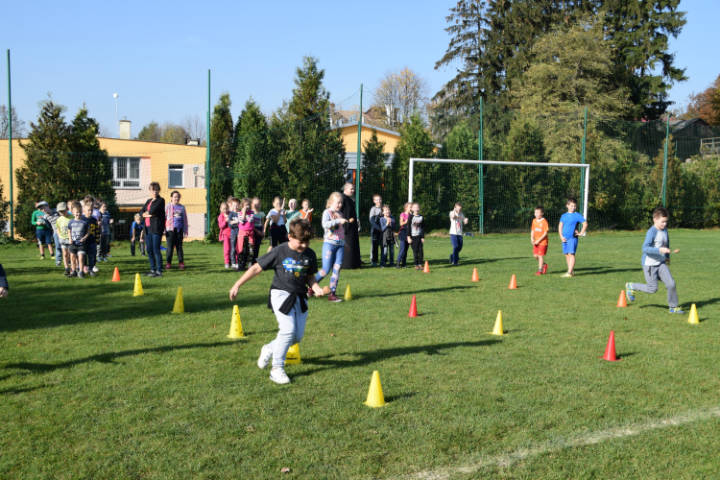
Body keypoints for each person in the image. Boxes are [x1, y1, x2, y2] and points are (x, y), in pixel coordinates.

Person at [229, 218, 326, 384]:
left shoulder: (310, 254)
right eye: (300, 242)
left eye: (307, 242)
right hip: (280, 294)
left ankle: (269, 349)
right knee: (287, 331)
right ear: (290, 236)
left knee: (296, 337)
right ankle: (277, 369)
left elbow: (310, 277)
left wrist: (316, 288)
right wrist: (237, 284)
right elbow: (256, 268)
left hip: (299, 297)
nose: (304, 245)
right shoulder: (279, 251)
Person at [625, 207, 684, 314]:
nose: (665, 224)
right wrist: (659, 250)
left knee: (671, 283)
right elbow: (645, 248)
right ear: (655, 219)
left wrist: (667, 257)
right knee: (652, 288)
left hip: (661, 263)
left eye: (666, 221)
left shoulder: (665, 230)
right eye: (663, 221)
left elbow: (667, 243)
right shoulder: (651, 232)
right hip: (650, 264)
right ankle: (631, 286)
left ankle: (673, 307)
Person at [313, 192, 346, 302]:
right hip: (329, 244)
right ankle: (311, 287)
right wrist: (338, 221)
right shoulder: (327, 212)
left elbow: (340, 230)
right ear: (331, 202)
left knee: (337, 269)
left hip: (340, 245)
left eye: (341, 202)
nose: (340, 204)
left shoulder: (340, 213)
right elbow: (325, 224)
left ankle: (332, 293)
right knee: (326, 269)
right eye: (338, 202)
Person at [141, 182, 166, 277]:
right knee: (149, 250)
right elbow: (141, 211)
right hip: (147, 228)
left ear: (158, 190)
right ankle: (152, 270)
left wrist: (146, 214)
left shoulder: (161, 200)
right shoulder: (148, 201)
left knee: (156, 249)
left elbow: (152, 211)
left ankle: (159, 271)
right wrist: (145, 214)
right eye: (153, 190)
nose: (155, 191)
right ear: (150, 191)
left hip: (156, 228)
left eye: (156, 189)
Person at [558, 197, 587, 277]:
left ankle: (569, 272)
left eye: (574, 206)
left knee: (571, 254)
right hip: (564, 238)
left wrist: (581, 233)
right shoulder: (563, 216)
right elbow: (560, 226)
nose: (573, 207)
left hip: (572, 238)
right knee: (567, 254)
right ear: (567, 205)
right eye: (571, 206)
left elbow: (585, 224)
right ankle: (570, 271)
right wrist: (561, 236)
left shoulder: (577, 215)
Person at [165, 190, 188, 270]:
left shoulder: (182, 207)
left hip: (179, 230)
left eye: (178, 197)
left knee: (179, 247)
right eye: (175, 197)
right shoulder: (168, 206)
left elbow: (185, 220)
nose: (176, 198)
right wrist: (163, 229)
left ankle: (181, 263)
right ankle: (168, 263)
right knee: (170, 247)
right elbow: (164, 218)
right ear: (171, 198)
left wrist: (185, 231)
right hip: (170, 230)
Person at [341, 182, 361, 269]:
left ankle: (354, 262)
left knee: (353, 244)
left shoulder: (349, 199)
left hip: (352, 225)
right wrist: (347, 221)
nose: (353, 191)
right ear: (345, 189)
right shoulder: (342, 199)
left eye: (353, 189)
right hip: (346, 226)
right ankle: (347, 264)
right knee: (348, 245)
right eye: (351, 189)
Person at [67, 201, 89, 278]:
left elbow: (88, 232)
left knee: (81, 257)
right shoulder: (70, 222)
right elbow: (69, 231)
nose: (78, 214)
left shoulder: (84, 222)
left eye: (79, 212)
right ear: (73, 212)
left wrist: (84, 238)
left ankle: (81, 271)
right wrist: (70, 239)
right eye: (76, 212)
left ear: (81, 212)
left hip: (81, 244)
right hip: (73, 244)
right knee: (72, 258)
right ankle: (73, 271)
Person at [237, 198, 256, 270]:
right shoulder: (239, 213)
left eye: (248, 205)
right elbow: (241, 221)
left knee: (250, 249)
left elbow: (250, 220)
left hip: (250, 233)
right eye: (245, 205)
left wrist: (245, 216)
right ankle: (241, 265)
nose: (247, 206)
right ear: (242, 206)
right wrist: (244, 213)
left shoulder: (252, 212)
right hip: (242, 234)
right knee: (241, 249)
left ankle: (249, 264)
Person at [531, 205, 549, 275]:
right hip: (536, 242)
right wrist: (532, 238)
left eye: (538, 213)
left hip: (543, 242)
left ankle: (540, 270)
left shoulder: (544, 221)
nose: (536, 214)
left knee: (540, 255)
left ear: (542, 213)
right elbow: (532, 230)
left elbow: (545, 233)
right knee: (535, 256)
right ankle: (544, 265)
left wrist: (539, 240)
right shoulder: (534, 220)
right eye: (535, 213)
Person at [82, 201, 99, 277]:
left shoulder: (94, 220)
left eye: (91, 210)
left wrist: (97, 239)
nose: (90, 211)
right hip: (84, 241)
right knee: (84, 255)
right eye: (88, 210)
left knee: (92, 255)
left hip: (92, 241)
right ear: (84, 211)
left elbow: (97, 230)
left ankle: (91, 269)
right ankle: (84, 267)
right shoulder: (82, 219)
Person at [55, 202, 72, 276]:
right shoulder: (59, 219)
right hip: (62, 239)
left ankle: (73, 268)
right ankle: (66, 268)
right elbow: (57, 228)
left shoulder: (72, 217)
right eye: (60, 211)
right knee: (65, 254)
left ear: (67, 209)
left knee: (71, 254)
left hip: (70, 239)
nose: (62, 213)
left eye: (63, 211)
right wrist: (59, 236)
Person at [408, 202, 425, 270]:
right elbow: (408, 227)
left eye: (417, 207)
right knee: (415, 251)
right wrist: (408, 237)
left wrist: (422, 237)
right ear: (412, 209)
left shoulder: (421, 217)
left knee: (421, 251)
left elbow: (423, 227)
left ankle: (420, 264)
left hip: (419, 237)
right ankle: (416, 264)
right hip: (413, 237)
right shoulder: (411, 217)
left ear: (419, 208)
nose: (416, 209)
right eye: (414, 207)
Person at [395, 202, 411, 268]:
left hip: (408, 233)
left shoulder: (411, 215)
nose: (411, 208)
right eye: (410, 207)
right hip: (402, 233)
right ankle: (398, 263)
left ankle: (404, 264)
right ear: (406, 208)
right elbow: (401, 223)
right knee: (402, 249)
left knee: (406, 249)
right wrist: (406, 221)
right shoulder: (403, 214)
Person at [369, 194, 383, 267]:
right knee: (374, 245)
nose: (379, 201)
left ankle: (383, 260)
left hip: (383, 231)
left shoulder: (383, 208)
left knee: (382, 245)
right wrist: (378, 228)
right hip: (375, 230)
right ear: (374, 201)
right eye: (377, 199)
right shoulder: (373, 209)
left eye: (380, 199)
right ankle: (373, 260)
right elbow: (371, 220)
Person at [251, 197, 266, 264]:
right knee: (251, 246)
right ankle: (250, 260)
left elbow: (262, 223)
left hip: (259, 229)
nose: (257, 205)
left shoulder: (262, 213)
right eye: (255, 204)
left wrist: (263, 231)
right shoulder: (250, 213)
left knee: (257, 246)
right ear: (252, 204)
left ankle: (255, 260)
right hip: (252, 230)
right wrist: (257, 231)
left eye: (258, 204)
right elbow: (250, 224)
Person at [218, 201, 231, 268]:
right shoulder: (221, 216)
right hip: (225, 235)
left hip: (232, 234)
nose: (225, 210)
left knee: (233, 248)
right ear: (221, 209)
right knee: (227, 249)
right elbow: (220, 226)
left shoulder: (230, 214)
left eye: (226, 208)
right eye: (224, 209)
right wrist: (225, 221)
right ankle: (227, 262)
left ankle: (233, 261)